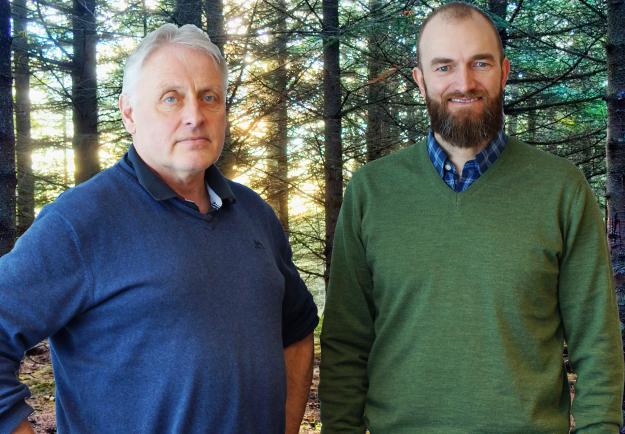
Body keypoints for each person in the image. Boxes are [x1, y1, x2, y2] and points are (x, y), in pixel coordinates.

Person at [319, 2, 623, 433]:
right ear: (420, 81)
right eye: (444, 67)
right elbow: (346, 343)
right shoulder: (373, 191)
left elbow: (597, 342)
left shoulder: (560, 188)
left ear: (503, 71)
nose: (464, 82)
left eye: (480, 62)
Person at [0, 23, 318, 434]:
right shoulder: (80, 222)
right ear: (129, 113)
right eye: (171, 98)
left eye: (209, 98)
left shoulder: (254, 213)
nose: (194, 116)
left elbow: (296, 331)